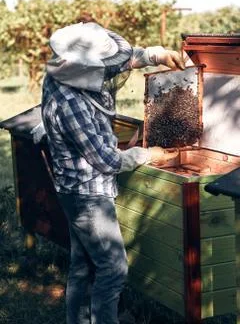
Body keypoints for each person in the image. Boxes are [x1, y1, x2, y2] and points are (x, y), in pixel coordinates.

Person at [39, 21, 184, 324]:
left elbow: (120, 61)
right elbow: (107, 161)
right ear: (85, 68)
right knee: (113, 269)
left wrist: (158, 55)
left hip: (74, 190)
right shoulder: (70, 103)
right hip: (86, 196)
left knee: (83, 265)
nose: (111, 72)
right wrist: (148, 154)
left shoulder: (66, 71)